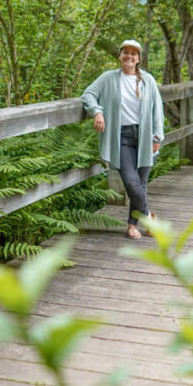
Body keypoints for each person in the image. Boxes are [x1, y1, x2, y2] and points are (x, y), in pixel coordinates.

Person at [81, 39, 164, 239]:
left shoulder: (148, 80)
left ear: (138, 59)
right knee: (131, 182)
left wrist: (157, 136)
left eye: (133, 53)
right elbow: (88, 94)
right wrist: (97, 112)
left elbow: (157, 110)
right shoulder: (108, 78)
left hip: (144, 137)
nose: (129, 56)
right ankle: (149, 218)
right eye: (125, 52)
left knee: (140, 185)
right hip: (122, 137)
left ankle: (132, 225)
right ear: (119, 56)